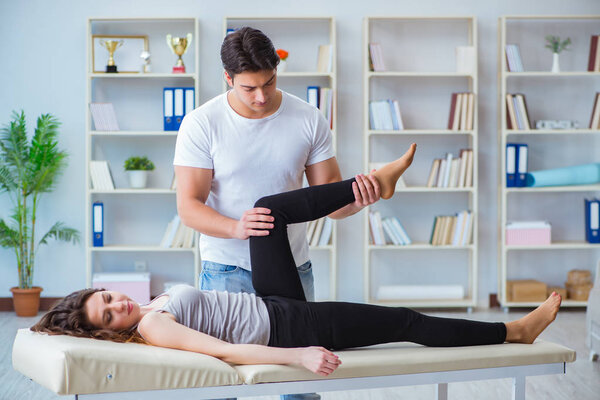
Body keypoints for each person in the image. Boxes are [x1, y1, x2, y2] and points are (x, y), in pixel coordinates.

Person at [32, 144, 563, 378]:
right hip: (285, 327)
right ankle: (512, 332)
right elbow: (225, 352)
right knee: (404, 323)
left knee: (265, 212)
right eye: (109, 315)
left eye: (105, 297)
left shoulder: (147, 308)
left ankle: (374, 185)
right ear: (109, 333)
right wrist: (299, 356)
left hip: (269, 303)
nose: (116, 303)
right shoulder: (153, 326)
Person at [173, 26, 380, 301]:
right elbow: (189, 207)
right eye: (249, 88)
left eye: (269, 82)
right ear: (228, 78)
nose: (261, 96)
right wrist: (237, 228)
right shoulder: (201, 123)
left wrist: (357, 200)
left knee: (303, 345)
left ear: (276, 69)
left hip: (293, 267)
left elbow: (329, 200)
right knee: (228, 347)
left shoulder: (309, 118)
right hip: (226, 270)